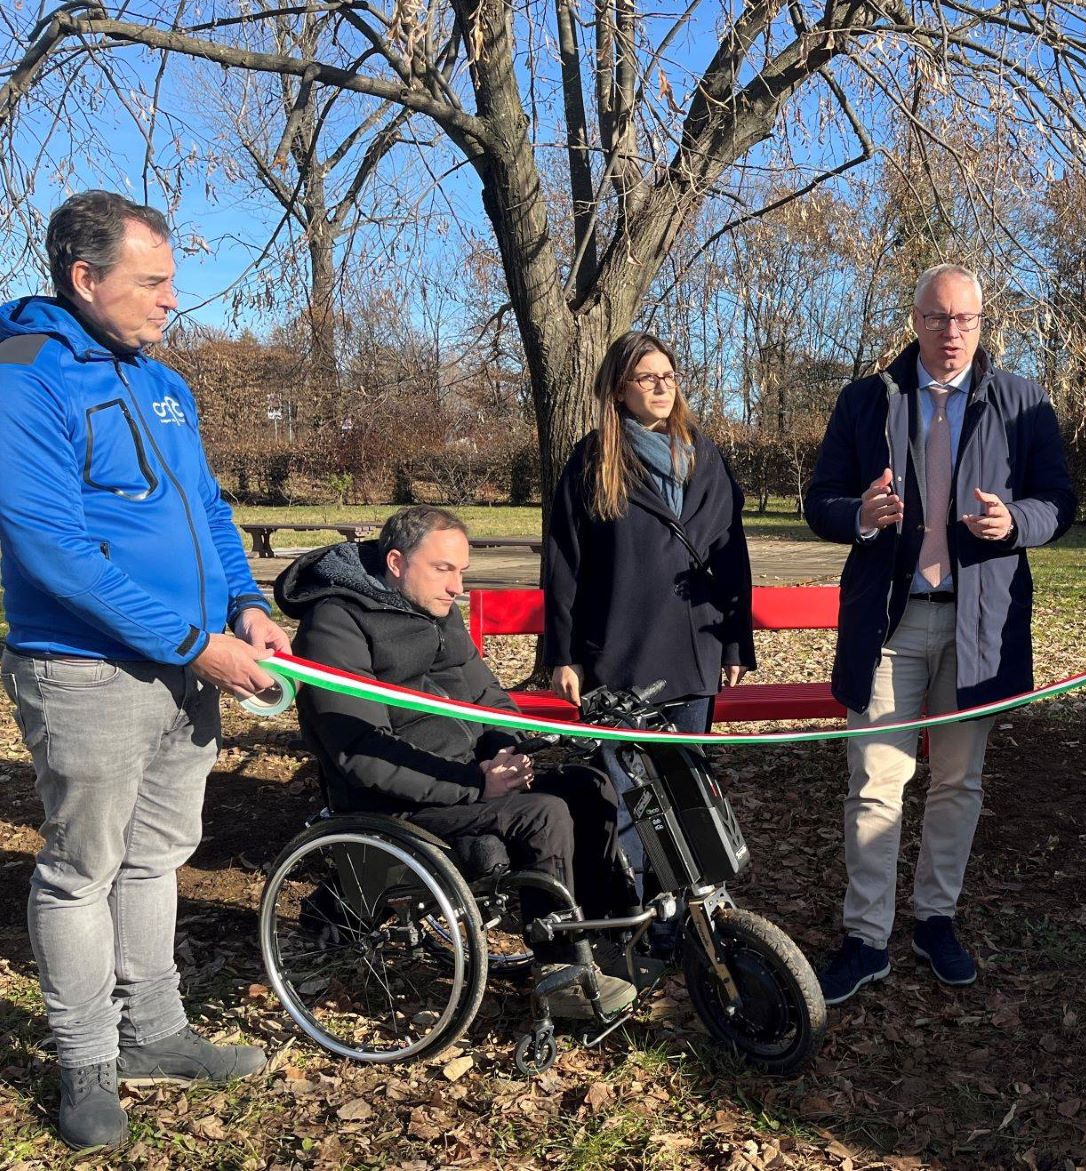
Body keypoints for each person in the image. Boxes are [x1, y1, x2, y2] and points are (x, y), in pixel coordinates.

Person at [0, 191, 289, 1149]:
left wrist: (245, 603)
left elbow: (207, 507)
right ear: (85, 279)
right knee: (83, 868)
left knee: (159, 855)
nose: (173, 299)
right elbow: (53, 549)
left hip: (191, 666)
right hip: (88, 671)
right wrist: (198, 643)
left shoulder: (163, 381)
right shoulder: (25, 375)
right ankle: (84, 1059)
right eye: (153, 281)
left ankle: (155, 1030)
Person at [804, 264, 1077, 1004]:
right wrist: (860, 516)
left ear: (983, 322)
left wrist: (1014, 522)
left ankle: (934, 919)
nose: (950, 333)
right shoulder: (867, 399)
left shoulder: (1021, 401)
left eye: (964, 319)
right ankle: (865, 936)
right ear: (914, 320)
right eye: (936, 317)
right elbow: (819, 501)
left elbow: (1059, 501)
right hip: (888, 623)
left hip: (977, 622)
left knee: (958, 781)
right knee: (875, 784)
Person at [278, 506, 638, 1017]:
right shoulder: (331, 627)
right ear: (397, 563)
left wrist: (504, 748)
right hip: (392, 800)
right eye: (444, 570)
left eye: (462, 572)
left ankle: (606, 936)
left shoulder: (438, 614)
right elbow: (360, 753)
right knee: (543, 814)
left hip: (464, 773)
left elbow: (488, 696)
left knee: (587, 785)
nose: (457, 588)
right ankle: (561, 975)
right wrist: (473, 785)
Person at [542, 330, 755, 891]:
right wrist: (562, 654)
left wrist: (735, 642)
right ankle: (640, 908)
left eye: (668, 375)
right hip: (620, 654)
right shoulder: (593, 460)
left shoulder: (705, 455)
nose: (662, 386)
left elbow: (733, 555)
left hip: (694, 648)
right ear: (618, 389)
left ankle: (695, 910)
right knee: (633, 798)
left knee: (690, 789)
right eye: (647, 377)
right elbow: (565, 563)